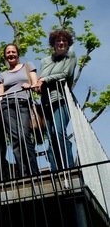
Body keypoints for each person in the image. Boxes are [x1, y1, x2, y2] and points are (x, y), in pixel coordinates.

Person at [35, 29, 77, 171]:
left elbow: (65, 74)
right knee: (51, 137)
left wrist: (44, 80)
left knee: (59, 133)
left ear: (68, 43)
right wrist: (39, 84)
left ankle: (69, 168)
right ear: (53, 43)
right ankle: (56, 170)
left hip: (61, 100)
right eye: (58, 41)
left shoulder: (70, 56)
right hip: (46, 102)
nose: (61, 43)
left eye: (64, 41)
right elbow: (42, 77)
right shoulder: (45, 61)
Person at [0, 44, 38, 178]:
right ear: (5, 56)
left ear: (18, 54)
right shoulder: (2, 75)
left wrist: (30, 86)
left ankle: (33, 171)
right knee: (15, 139)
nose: (11, 54)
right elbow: (0, 96)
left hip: (22, 103)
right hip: (6, 106)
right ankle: (23, 173)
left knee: (24, 135)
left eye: (13, 52)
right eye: (8, 52)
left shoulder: (28, 66)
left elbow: (36, 84)